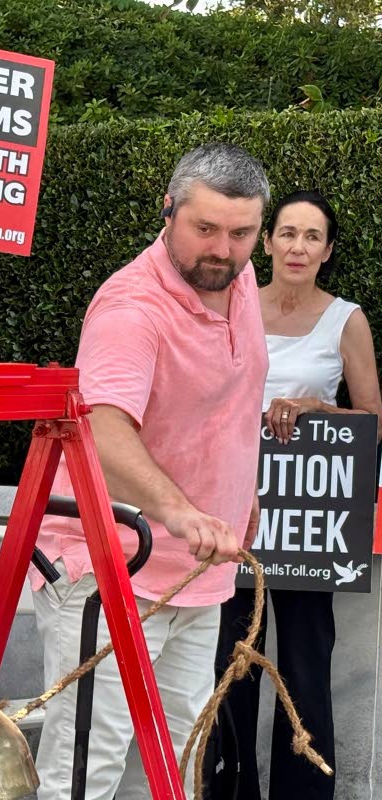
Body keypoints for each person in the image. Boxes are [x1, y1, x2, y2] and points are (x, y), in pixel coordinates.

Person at [28, 143, 270, 799]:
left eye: (241, 233)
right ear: (167, 212)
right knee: (87, 775)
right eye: (205, 229)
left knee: (174, 770)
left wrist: (237, 495)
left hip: (199, 575)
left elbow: (233, 403)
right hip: (113, 574)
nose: (222, 249)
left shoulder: (237, 279)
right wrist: (182, 511)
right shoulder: (132, 309)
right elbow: (103, 429)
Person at [213, 190, 381, 800]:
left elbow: (371, 420)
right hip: (231, 516)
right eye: (287, 233)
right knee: (231, 665)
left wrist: (316, 409)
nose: (298, 246)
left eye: (312, 236)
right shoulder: (230, 306)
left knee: (307, 665)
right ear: (267, 241)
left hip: (310, 522)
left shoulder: (347, 320)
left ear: (328, 250)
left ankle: (305, 793)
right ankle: (228, 790)